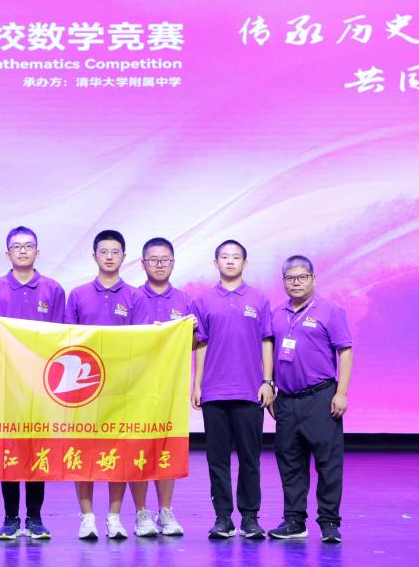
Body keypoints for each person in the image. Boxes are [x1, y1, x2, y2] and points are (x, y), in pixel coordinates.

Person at [0, 226, 65, 540]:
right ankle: (9, 518)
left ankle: (34, 517)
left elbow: (61, 337)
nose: (22, 251)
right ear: (7, 253)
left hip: (41, 385)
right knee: (10, 452)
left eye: (28, 246)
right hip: (6, 384)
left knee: (36, 451)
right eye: (16, 247)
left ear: (37, 252)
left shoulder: (53, 290)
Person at [190, 240, 274, 539]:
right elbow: (200, 344)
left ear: (244, 263)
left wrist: (268, 381)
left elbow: (267, 341)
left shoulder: (259, 299)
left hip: (250, 391)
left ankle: (250, 518)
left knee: (250, 459)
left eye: (235, 257)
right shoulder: (203, 301)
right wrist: (197, 384)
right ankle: (223, 518)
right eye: (224, 257)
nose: (230, 261)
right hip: (214, 392)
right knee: (218, 459)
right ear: (216, 263)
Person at [268, 255, 353, 544]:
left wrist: (341, 393)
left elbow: (345, 351)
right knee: (290, 461)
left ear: (313, 279)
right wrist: (270, 385)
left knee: (328, 463)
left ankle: (329, 523)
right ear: (283, 282)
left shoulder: (330, 310)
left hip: (321, 397)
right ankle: (294, 521)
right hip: (286, 399)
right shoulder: (276, 312)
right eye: (290, 278)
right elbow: (270, 351)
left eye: (302, 277)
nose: (296, 283)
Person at [64, 229, 138, 540]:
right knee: (83, 452)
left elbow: (144, 341)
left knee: (118, 452)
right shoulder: (78, 294)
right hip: (84, 389)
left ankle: (114, 517)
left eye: (115, 251)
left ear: (124, 256)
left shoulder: (135, 296)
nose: (109, 257)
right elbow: (67, 341)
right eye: (103, 251)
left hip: (122, 387)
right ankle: (87, 517)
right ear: (94, 256)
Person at [129, 237, 192, 537]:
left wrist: (189, 332)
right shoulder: (131, 297)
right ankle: (141, 513)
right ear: (143, 263)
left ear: (173, 263)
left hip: (170, 386)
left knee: (168, 446)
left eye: (165, 260)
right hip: (136, 385)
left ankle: (166, 511)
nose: (159, 265)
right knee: (137, 447)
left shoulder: (184, 300)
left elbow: (195, 343)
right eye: (153, 260)